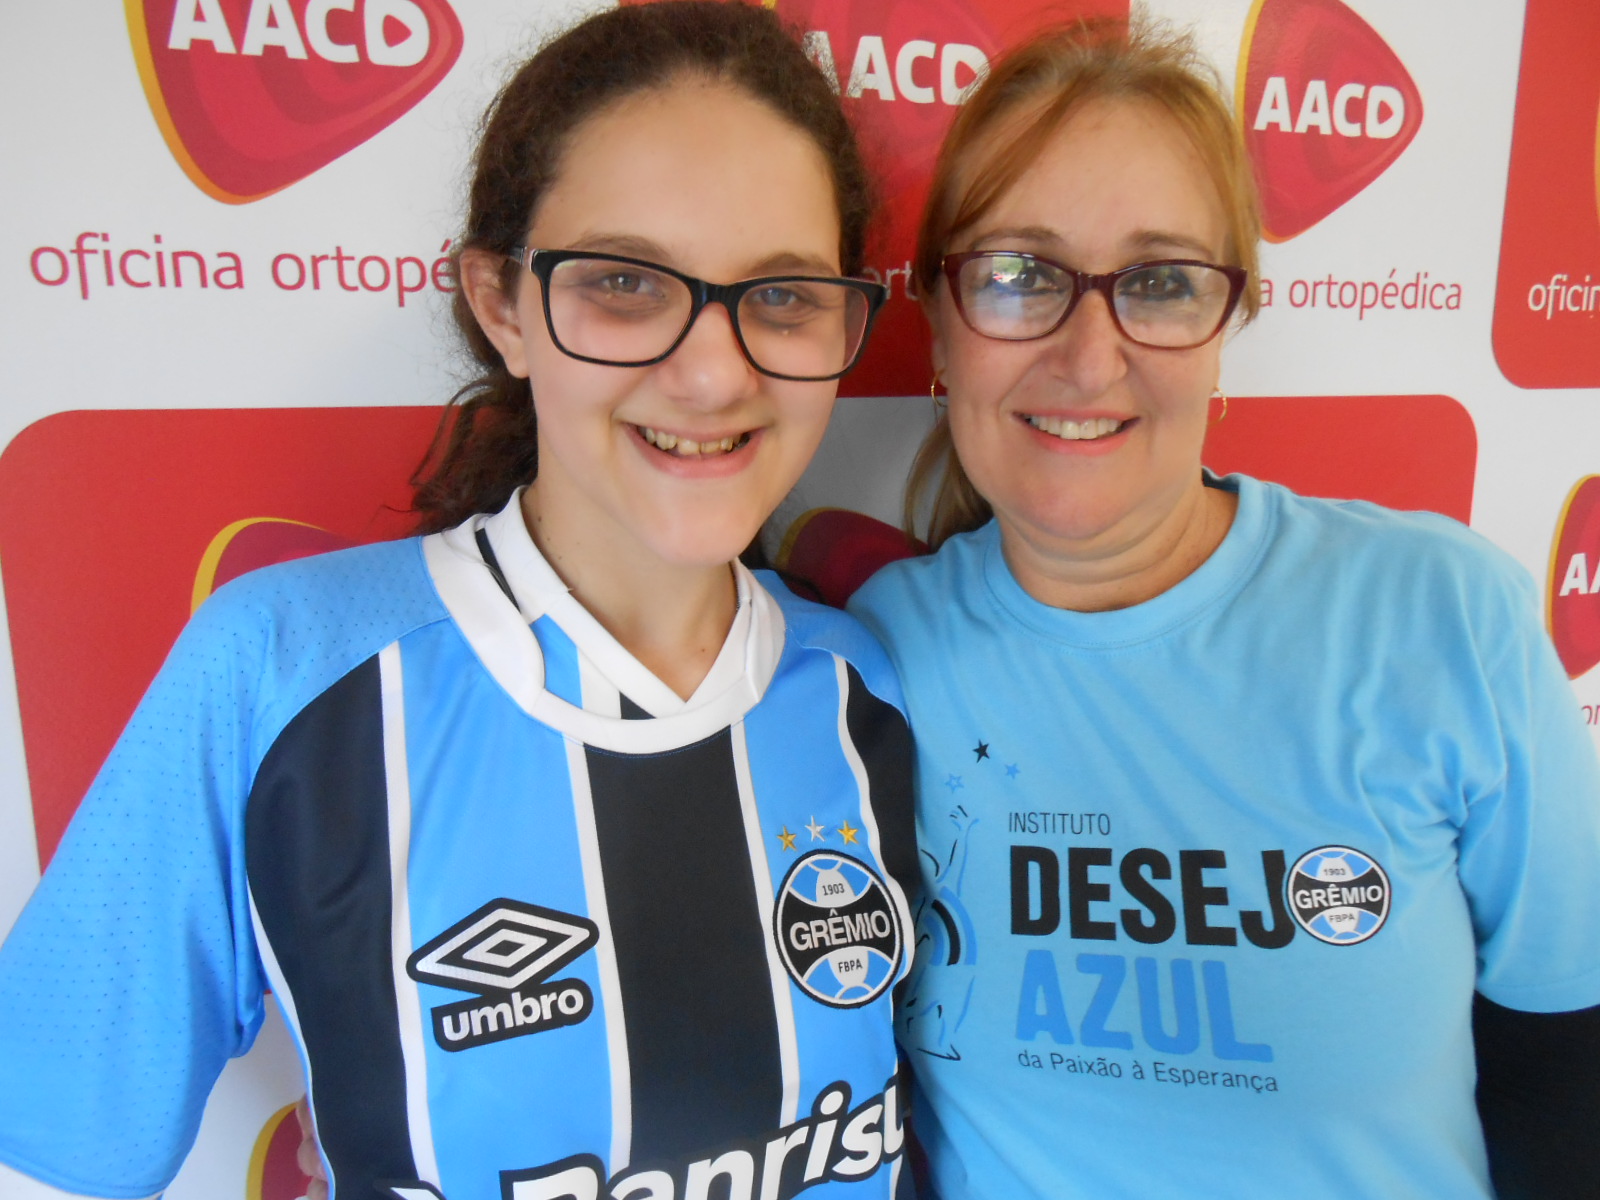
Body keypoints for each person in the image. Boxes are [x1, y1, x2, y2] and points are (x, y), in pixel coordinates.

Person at [0, 6, 920, 1200]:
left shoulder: (874, 685)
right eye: (627, 284)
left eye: (784, 294)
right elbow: (49, 1152)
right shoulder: (283, 676)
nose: (713, 372)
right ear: (501, 305)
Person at [846, 16, 1600, 1200]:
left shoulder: (1443, 616)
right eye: (1016, 275)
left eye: (1157, 282)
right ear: (940, 324)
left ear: (1227, 325)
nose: (1089, 357)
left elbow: (1566, 1072)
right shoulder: (873, 656)